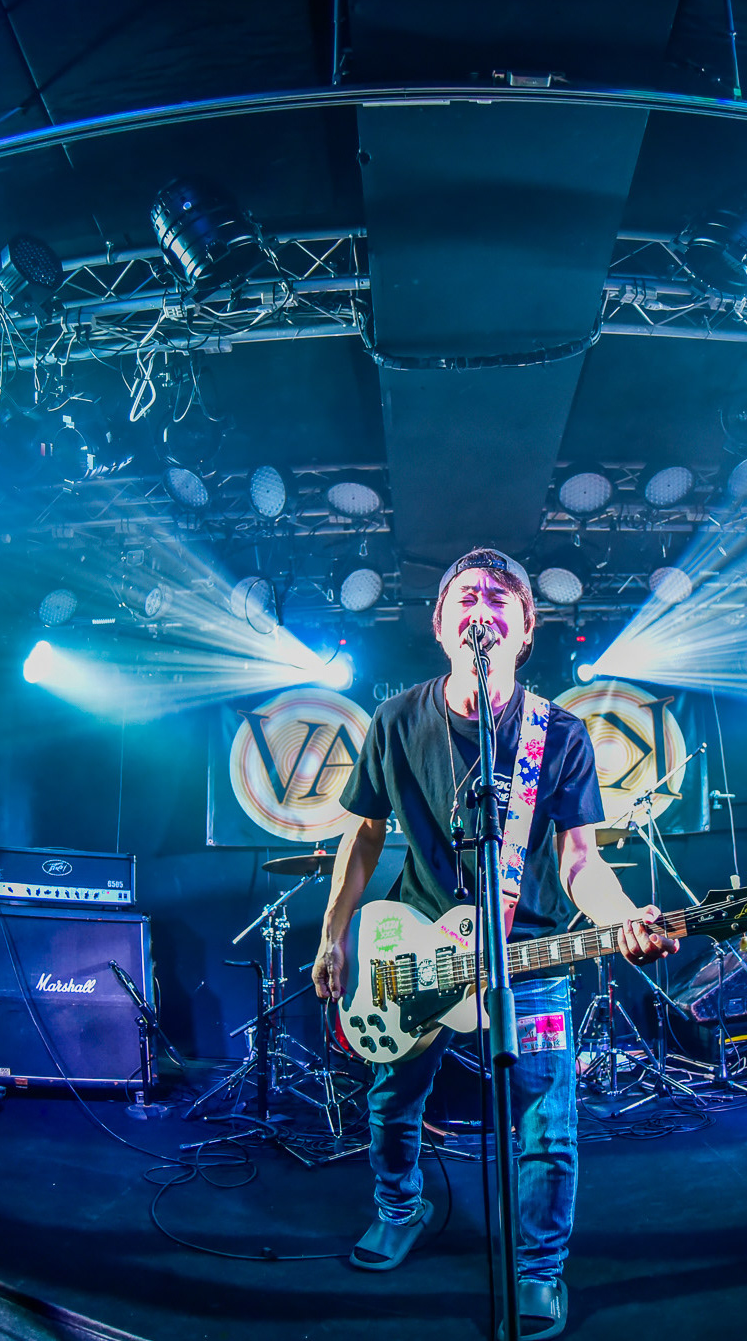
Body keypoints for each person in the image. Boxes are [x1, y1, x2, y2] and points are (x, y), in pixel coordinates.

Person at [311, 548, 677, 1340]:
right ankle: (399, 1208)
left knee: (547, 1121)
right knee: (392, 1101)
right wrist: (334, 932)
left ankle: (539, 1267)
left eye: (499, 597)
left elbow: (581, 860)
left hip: (526, 955)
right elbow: (363, 832)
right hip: (412, 951)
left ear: (525, 627)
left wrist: (621, 916)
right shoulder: (396, 720)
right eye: (466, 596)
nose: (481, 606)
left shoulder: (560, 734)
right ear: (441, 623)